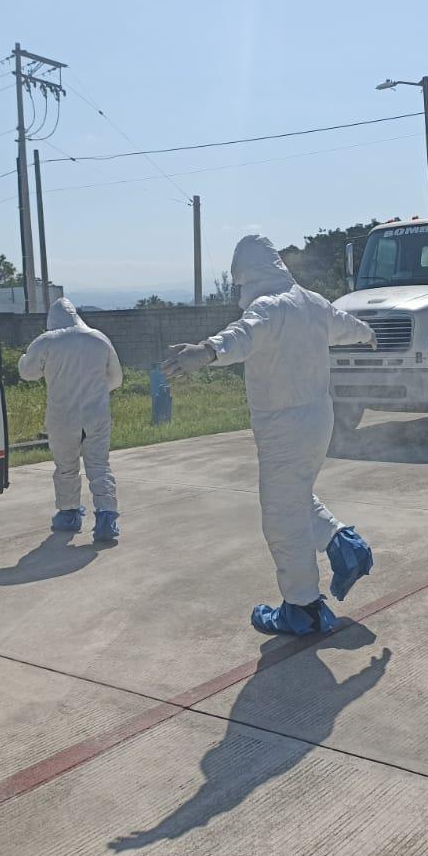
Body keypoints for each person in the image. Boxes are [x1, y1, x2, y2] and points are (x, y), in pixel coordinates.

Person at [163, 235, 377, 635]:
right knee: (294, 496)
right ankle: (343, 546)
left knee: (282, 517)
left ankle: (303, 609)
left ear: (245, 276)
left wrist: (205, 351)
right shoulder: (311, 302)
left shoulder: (268, 308)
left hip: (283, 426)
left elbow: (241, 337)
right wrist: (367, 332)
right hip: (319, 419)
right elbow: (345, 325)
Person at [18, 297, 123, 543]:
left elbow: (27, 373)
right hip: (96, 414)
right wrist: (96, 392)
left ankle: (69, 514)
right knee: (99, 464)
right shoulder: (99, 338)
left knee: (66, 467)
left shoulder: (47, 341)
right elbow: (116, 379)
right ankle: (107, 518)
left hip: (62, 417)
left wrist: (25, 358)